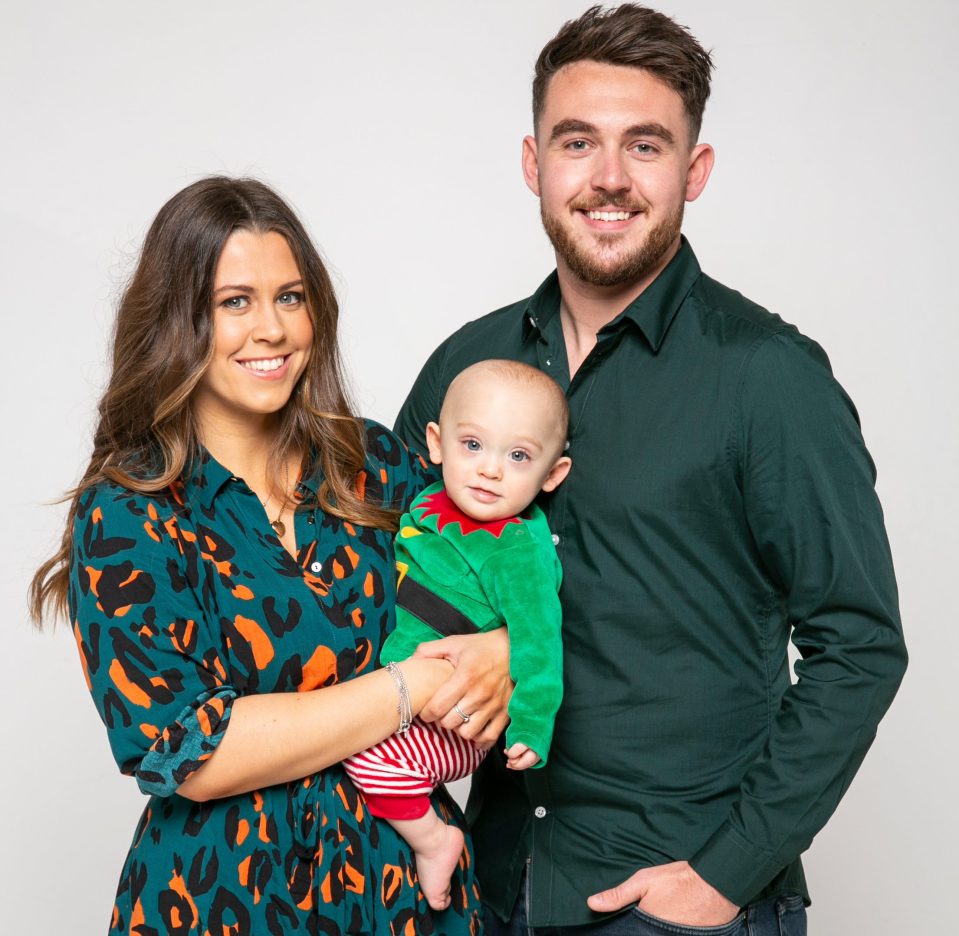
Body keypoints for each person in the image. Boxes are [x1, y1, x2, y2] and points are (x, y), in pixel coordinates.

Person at [395, 5, 908, 933]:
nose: (607, 179)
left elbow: (859, 646)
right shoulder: (463, 369)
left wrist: (725, 875)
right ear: (532, 163)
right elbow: (375, 571)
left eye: (645, 146)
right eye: (577, 141)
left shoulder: (768, 378)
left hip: (677, 899)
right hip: (490, 886)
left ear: (693, 170)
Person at [29, 176, 507, 934]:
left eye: (290, 297)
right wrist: (407, 689)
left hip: (407, 890)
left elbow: (492, 574)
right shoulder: (130, 512)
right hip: (224, 897)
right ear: (179, 322)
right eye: (234, 302)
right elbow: (187, 751)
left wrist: (502, 648)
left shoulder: (374, 463)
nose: (273, 330)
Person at [344, 359, 572, 911]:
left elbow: (541, 644)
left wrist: (534, 729)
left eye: (518, 456)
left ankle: (434, 842)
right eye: (473, 446)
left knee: (360, 759)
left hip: (459, 717)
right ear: (437, 443)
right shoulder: (428, 502)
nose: (489, 470)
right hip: (408, 687)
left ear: (551, 475)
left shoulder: (517, 549)